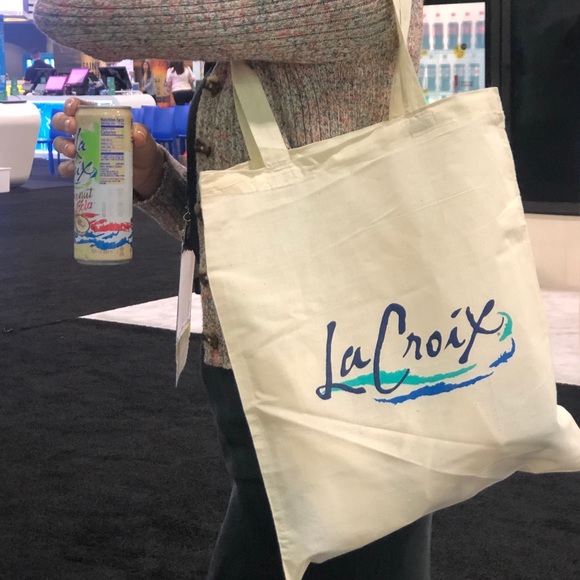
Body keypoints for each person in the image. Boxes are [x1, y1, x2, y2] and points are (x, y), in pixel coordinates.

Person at [34, 1, 432, 578]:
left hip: (339, 382)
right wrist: (155, 177)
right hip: (297, 372)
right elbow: (257, 226)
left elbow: (75, 13)